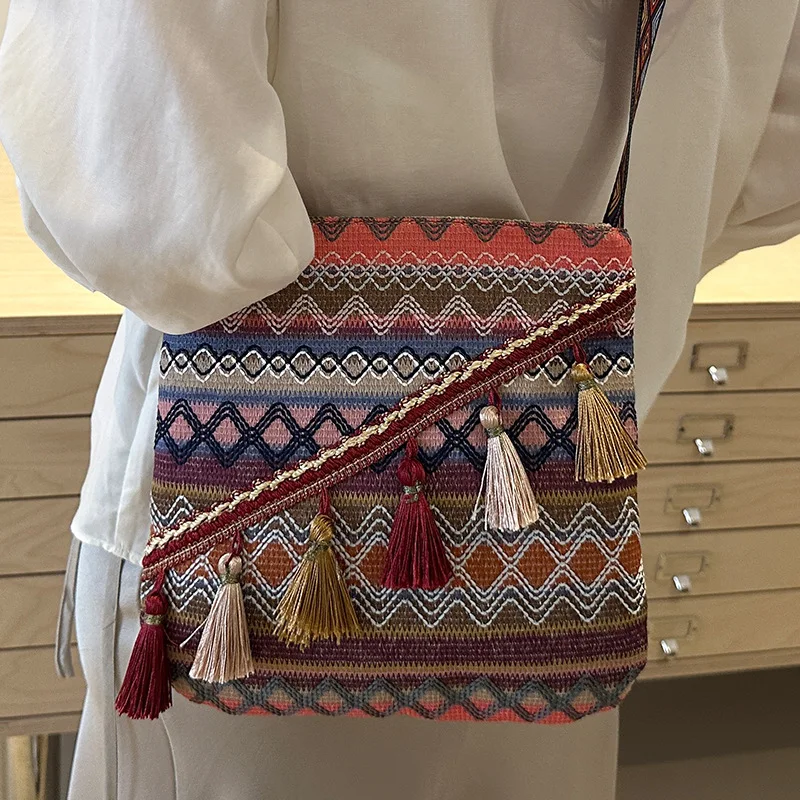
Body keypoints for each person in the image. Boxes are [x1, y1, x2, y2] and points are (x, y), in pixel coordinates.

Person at [1, 1, 800, 798]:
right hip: (545, 541)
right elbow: (768, 162)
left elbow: (154, 205)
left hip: (240, 559)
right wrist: (553, 272)